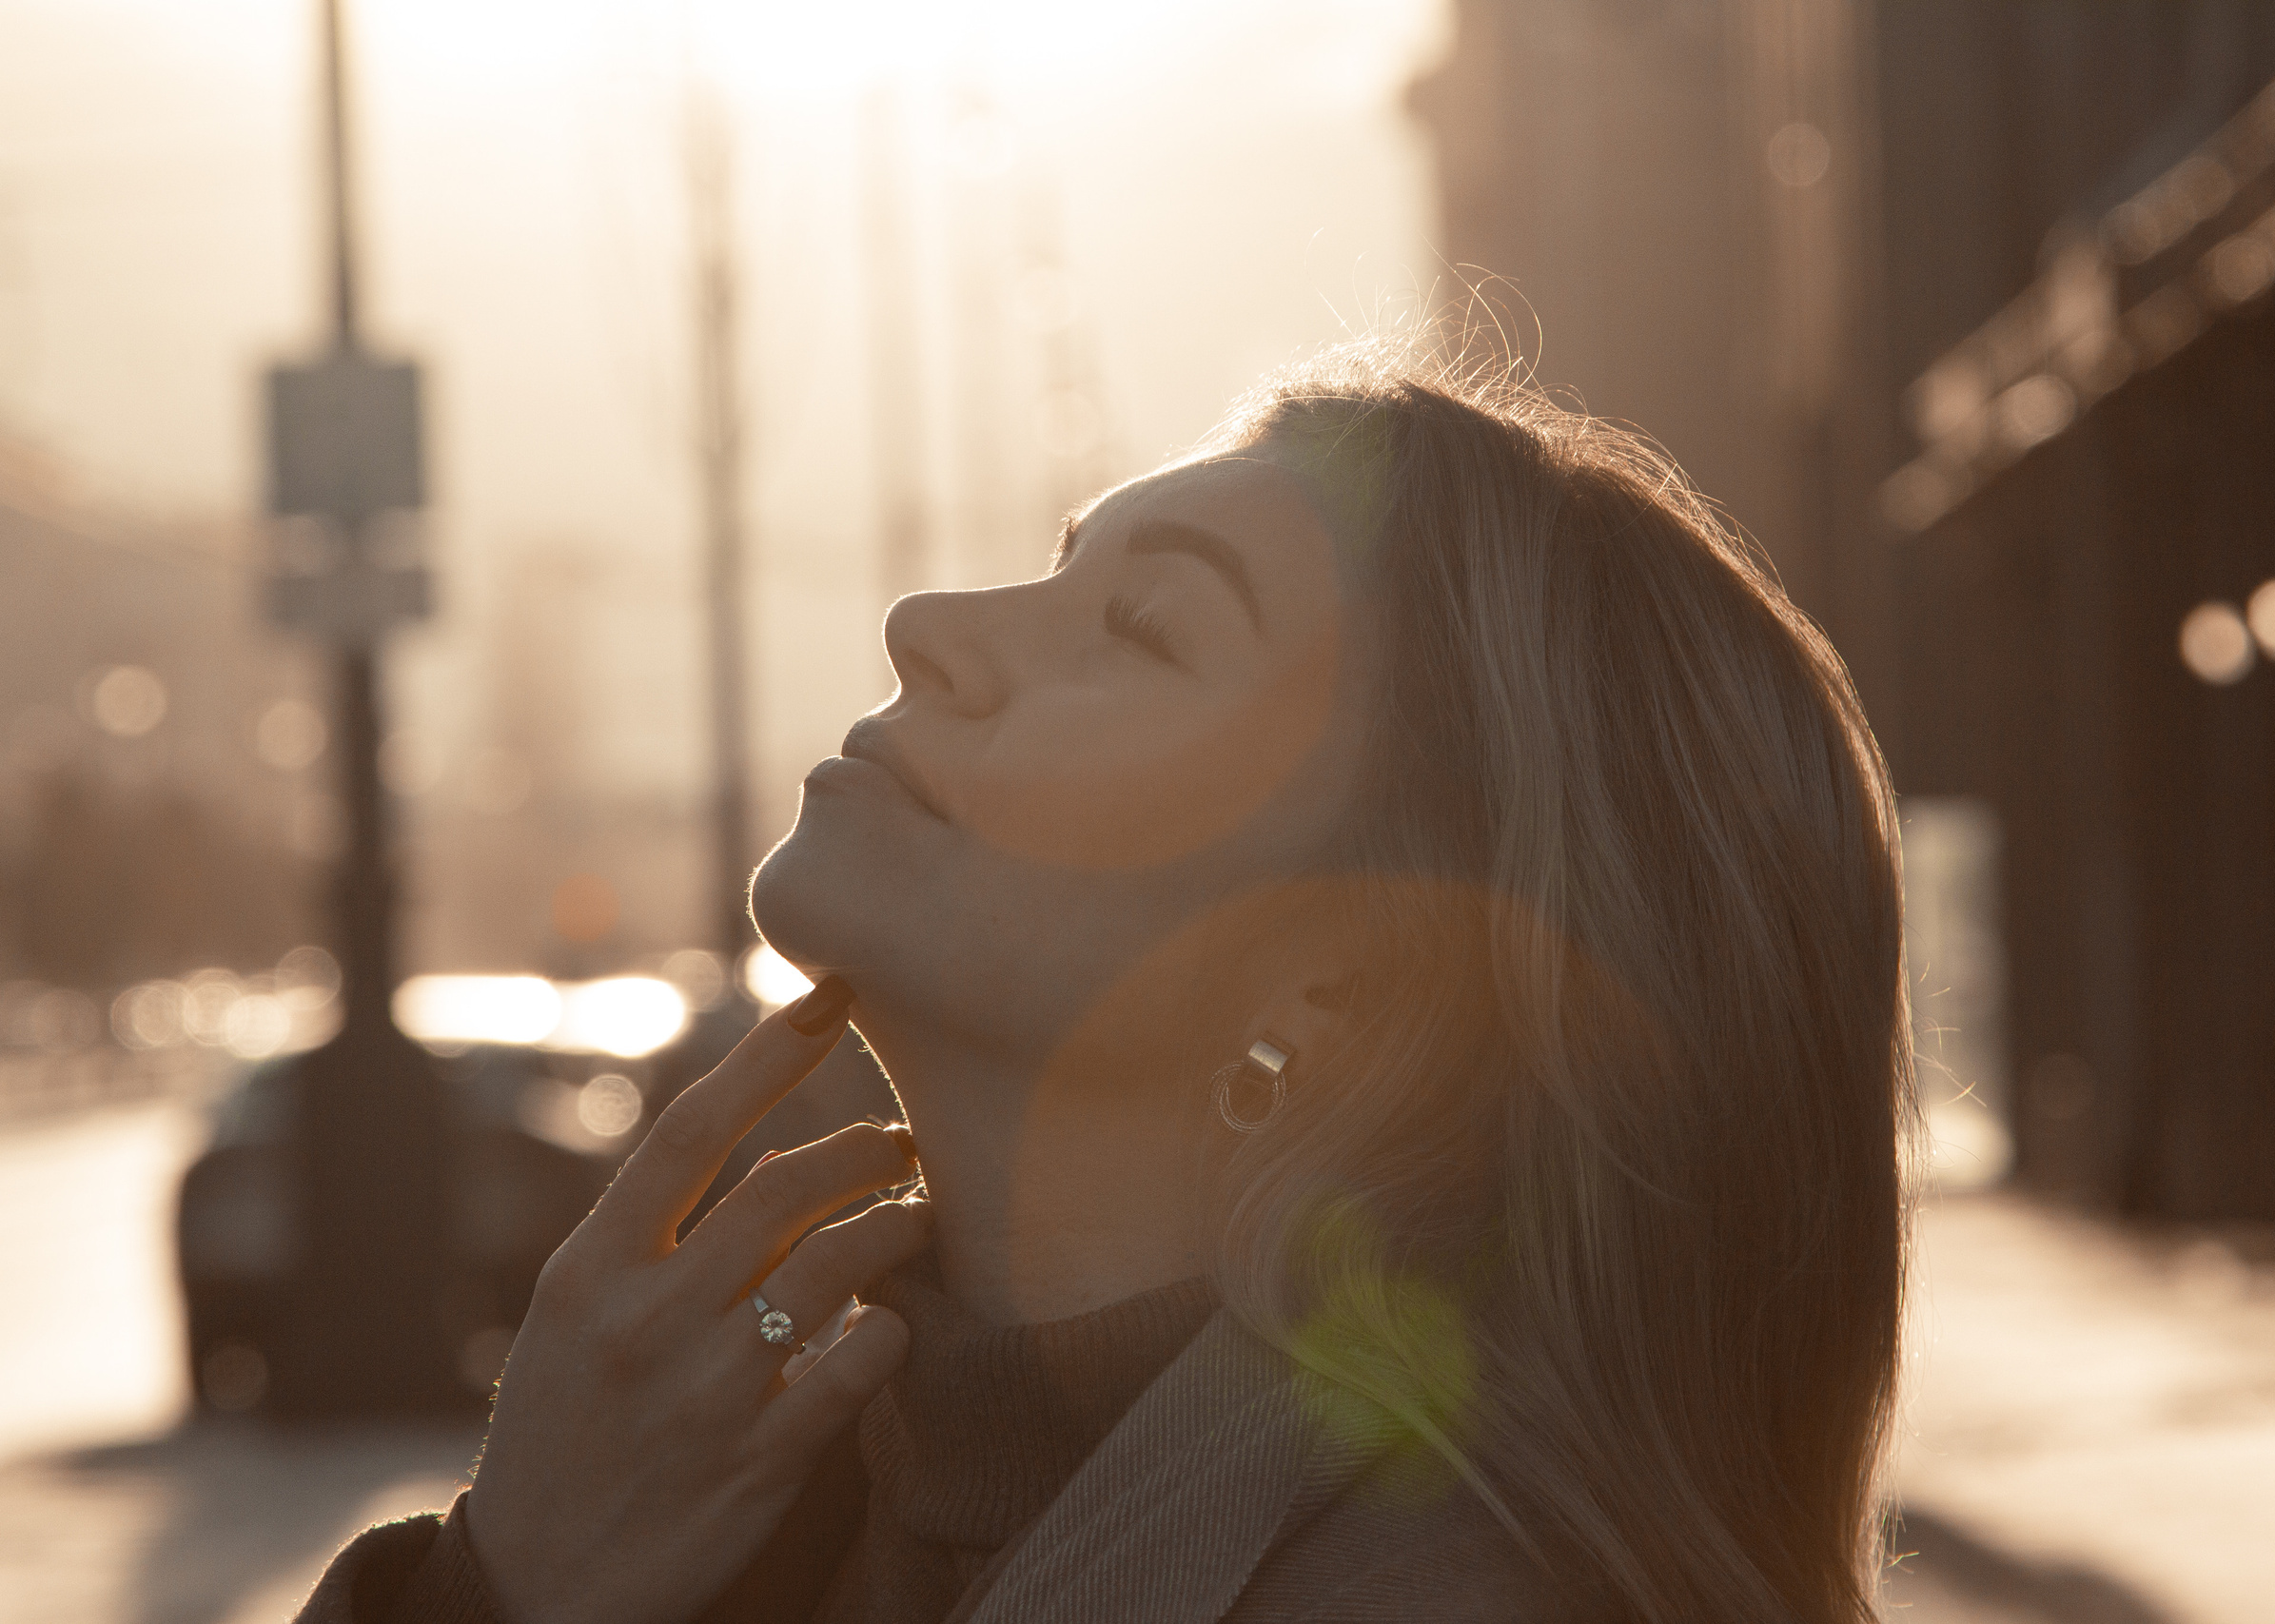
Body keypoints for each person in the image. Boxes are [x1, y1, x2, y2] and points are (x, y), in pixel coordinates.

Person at [299, 344, 1912, 1624]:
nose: (928, 625)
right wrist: (498, 1586)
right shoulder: (734, 1506)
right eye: (1057, 570)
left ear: (1345, 979)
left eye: (1141, 628)